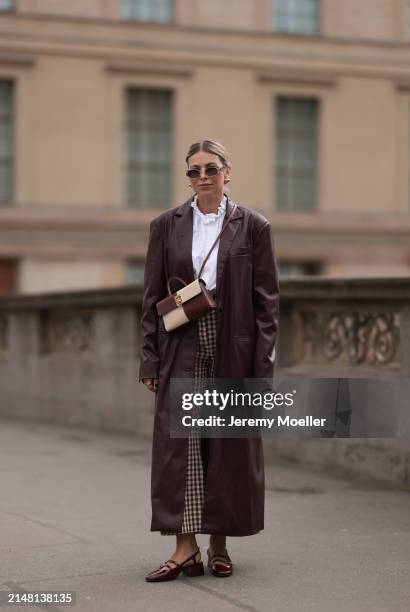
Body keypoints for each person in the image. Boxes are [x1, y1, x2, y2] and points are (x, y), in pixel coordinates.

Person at [139, 139, 279, 582]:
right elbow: (150, 298)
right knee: (181, 447)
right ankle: (185, 549)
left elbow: (267, 305)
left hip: (233, 345)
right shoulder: (165, 225)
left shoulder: (253, 226)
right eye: (194, 170)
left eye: (211, 168)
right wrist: (149, 359)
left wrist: (262, 370)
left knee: (226, 446)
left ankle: (219, 545)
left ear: (227, 171)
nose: (203, 177)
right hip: (179, 344)